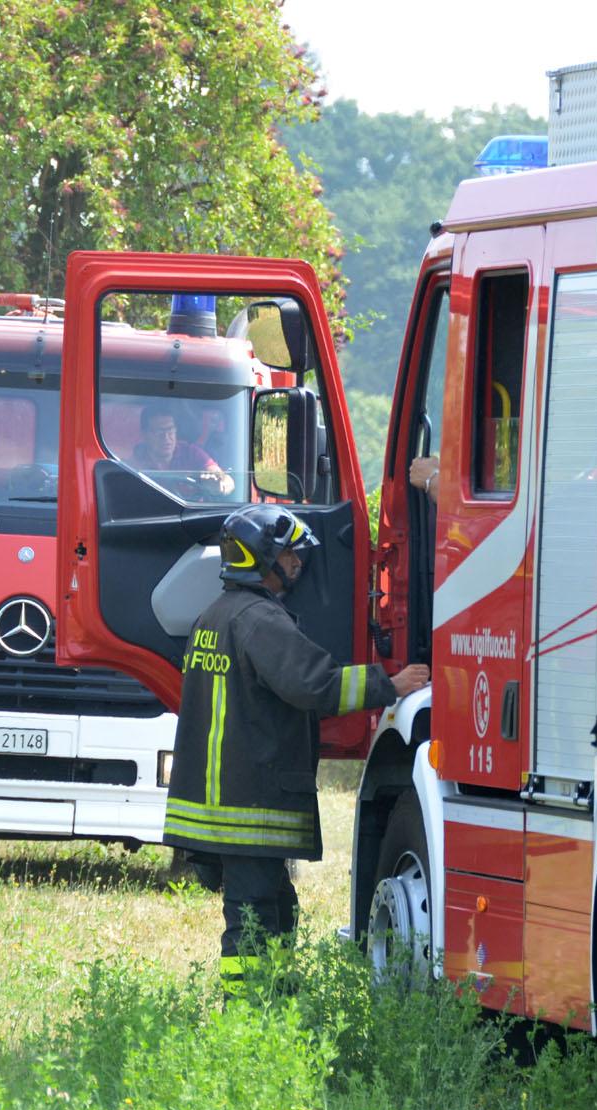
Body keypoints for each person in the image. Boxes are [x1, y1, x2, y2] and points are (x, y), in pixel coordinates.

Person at [165, 503, 429, 995]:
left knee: (275, 907)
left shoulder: (215, 615)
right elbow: (314, 684)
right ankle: (245, 1021)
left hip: (220, 804)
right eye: (288, 556)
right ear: (262, 558)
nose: (297, 565)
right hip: (249, 806)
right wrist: (389, 684)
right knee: (254, 916)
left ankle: (278, 999)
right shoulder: (260, 619)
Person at [128, 404, 234, 498]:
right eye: (159, 432)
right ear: (145, 434)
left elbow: (222, 477)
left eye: (170, 430)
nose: (166, 438)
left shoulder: (191, 453)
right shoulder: (134, 462)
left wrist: (219, 484)